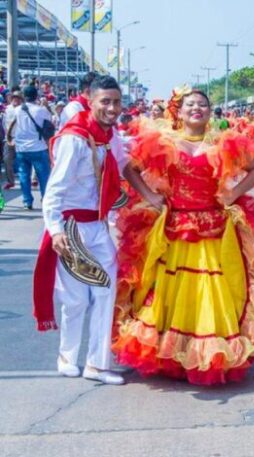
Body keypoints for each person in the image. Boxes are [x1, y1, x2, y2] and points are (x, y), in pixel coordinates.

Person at [112, 86, 254, 385]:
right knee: (170, 292)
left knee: (212, 292)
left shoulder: (222, 143)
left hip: (215, 229)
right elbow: (130, 169)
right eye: (190, 104)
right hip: (174, 228)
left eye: (202, 104)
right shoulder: (164, 142)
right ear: (178, 110)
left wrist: (233, 194)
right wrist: (151, 197)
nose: (197, 109)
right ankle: (171, 353)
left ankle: (209, 354)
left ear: (209, 110)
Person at [34, 75, 128, 385]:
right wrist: (56, 230)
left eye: (116, 102)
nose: (112, 108)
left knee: (105, 293)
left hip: (98, 228)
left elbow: (125, 167)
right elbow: (54, 190)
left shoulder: (107, 136)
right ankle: (67, 356)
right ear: (90, 100)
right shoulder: (74, 138)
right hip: (72, 230)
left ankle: (97, 364)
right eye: (105, 101)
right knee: (74, 300)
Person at [9, 85, 52, 209]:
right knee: (43, 176)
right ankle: (46, 200)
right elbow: (49, 123)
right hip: (38, 147)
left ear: (24, 96)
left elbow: (12, 125)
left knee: (24, 176)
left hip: (22, 148)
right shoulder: (41, 110)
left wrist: (10, 139)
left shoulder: (17, 110)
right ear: (36, 96)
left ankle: (27, 201)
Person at [3, 90, 22, 190]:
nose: (15, 99)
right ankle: (10, 181)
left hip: (21, 139)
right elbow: (4, 123)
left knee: (24, 161)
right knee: (7, 160)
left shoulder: (23, 109)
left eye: (17, 97)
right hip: (9, 138)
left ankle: (28, 180)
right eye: (14, 97)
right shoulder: (7, 109)